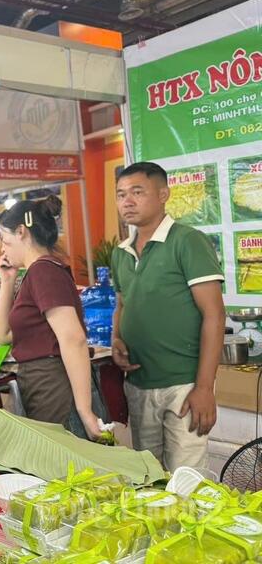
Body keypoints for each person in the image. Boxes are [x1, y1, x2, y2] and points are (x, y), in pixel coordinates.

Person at [111, 162, 224, 471]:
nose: (127, 201)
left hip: (184, 385)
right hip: (138, 382)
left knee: (185, 479)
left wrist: (204, 387)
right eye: (120, 194)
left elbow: (214, 315)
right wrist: (116, 338)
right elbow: (122, 304)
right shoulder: (121, 252)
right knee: (150, 476)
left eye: (137, 192)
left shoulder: (187, 241)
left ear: (163, 195)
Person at [0, 195, 104, 440]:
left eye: (5, 240)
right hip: (43, 385)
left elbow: (73, 339)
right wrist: (7, 282)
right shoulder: (37, 272)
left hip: (55, 386)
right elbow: (3, 335)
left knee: (67, 458)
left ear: (21, 232)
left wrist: (84, 410)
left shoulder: (44, 272)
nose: (2, 249)